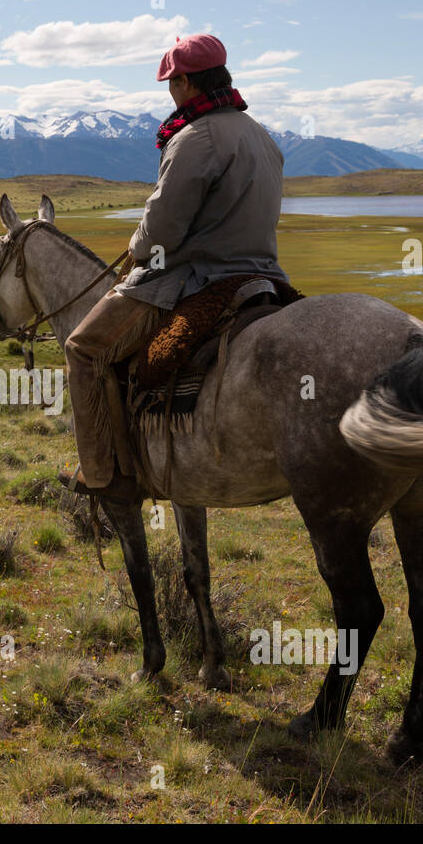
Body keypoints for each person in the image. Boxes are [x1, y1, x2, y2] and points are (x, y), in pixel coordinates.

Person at [58, 33, 289, 500]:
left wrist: (137, 247)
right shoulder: (262, 136)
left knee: (84, 349)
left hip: (194, 278)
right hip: (264, 275)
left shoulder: (194, 138)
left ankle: (102, 474)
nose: (170, 91)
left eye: (171, 82)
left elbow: (161, 228)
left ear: (185, 82)